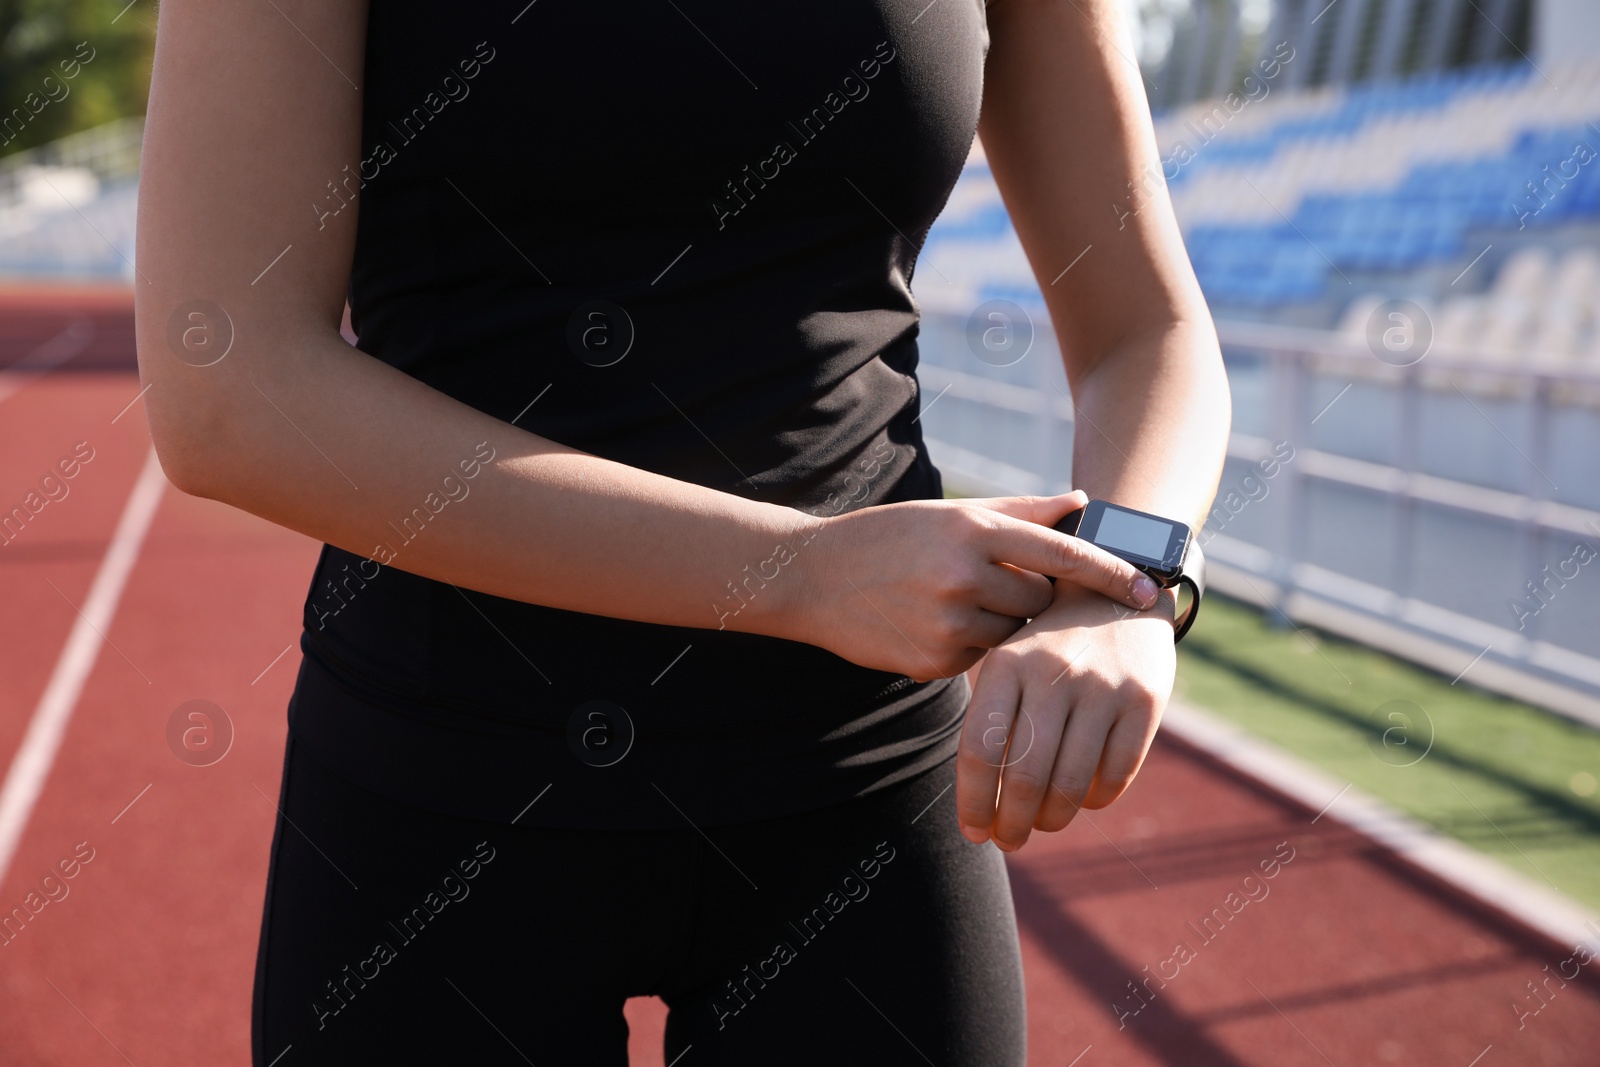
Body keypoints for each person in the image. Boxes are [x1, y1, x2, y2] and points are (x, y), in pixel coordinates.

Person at [134, 0, 1230, 1062]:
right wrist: (792, 573)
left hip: (867, 794)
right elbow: (228, 390)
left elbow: (1146, 326)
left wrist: (1125, 578)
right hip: (441, 809)